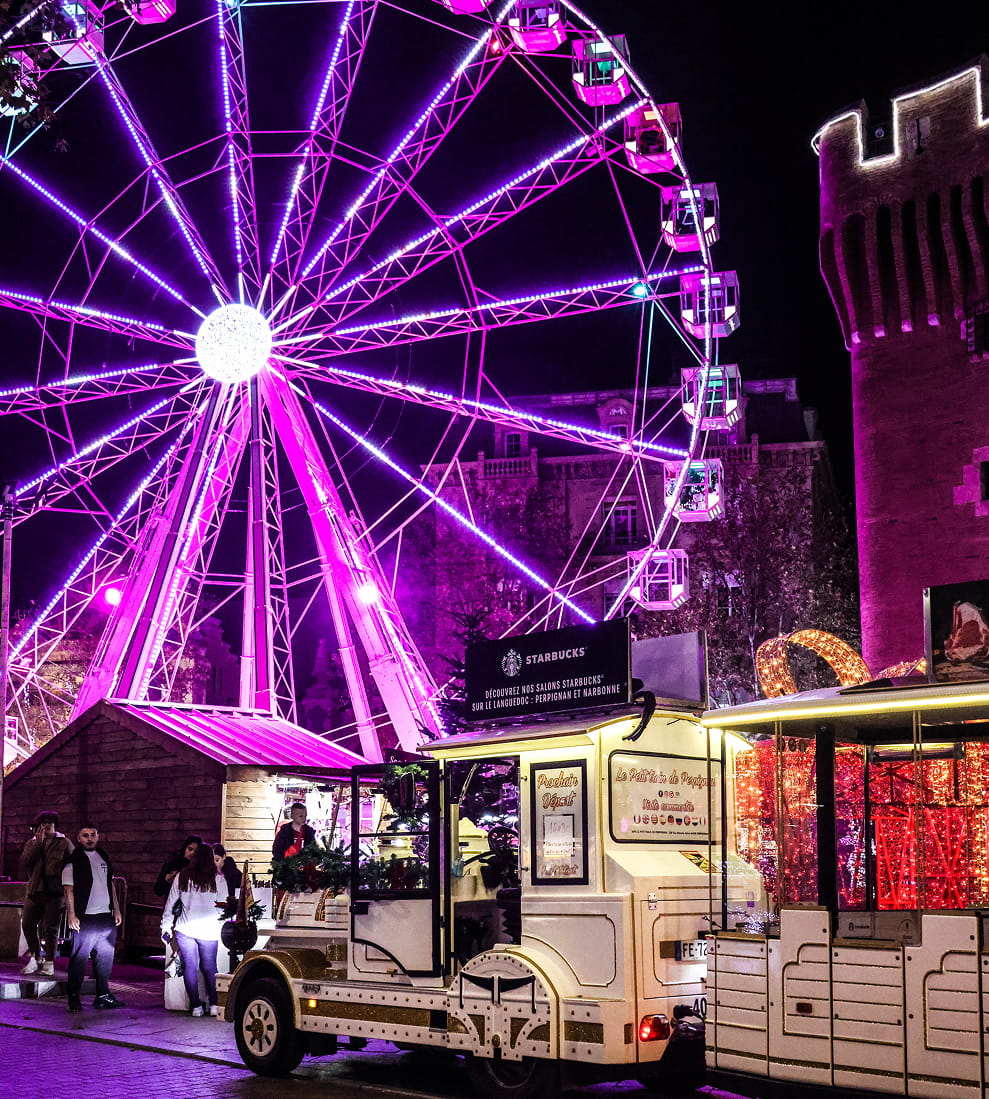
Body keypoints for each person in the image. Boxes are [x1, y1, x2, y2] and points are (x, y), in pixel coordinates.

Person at [62, 823, 124, 1012]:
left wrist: (116, 908)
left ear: (98, 836)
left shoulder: (103, 856)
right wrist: (71, 914)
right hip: (85, 918)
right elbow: (68, 889)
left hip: (105, 917)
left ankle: (103, 995)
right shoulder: (73, 860)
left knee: (105, 959)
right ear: (79, 839)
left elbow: (110, 884)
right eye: (85, 835)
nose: (90, 838)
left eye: (93, 834)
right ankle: (73, 998)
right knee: (79, 959)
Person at [161, 842, 223, 1017]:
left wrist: (165, 926)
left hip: (185, 928)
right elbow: (224, 904)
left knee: (190, 967)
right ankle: (213, 1005)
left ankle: (195, 1006)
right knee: (210, 967)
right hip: (209, 929)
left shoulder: (182, 876)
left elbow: (170, 903)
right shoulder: (218, 879)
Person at [18, 810, 74, 976]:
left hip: (55, 892)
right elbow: (24, 862)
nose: (46, 826)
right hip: (34, 890)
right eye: (43, 823)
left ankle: (49, 961)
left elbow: (73, 864)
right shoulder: (33, 842)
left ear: (55, 825)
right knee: (27, 924)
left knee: (51, 928)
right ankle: (36, 957)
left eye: (49, 822)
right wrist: (38, 844)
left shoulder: (64, 842)